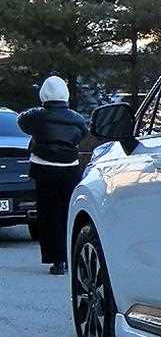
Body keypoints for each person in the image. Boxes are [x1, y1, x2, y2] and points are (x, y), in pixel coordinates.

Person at [17, 76, 88, 275]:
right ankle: (71, 256)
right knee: (68, 214)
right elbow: (83, 133)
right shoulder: (77, 118)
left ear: (44, 94)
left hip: (44, 168)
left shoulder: (36, 116)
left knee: (49, 215)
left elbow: (21, 121)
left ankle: (56, 260)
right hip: (70, 169)